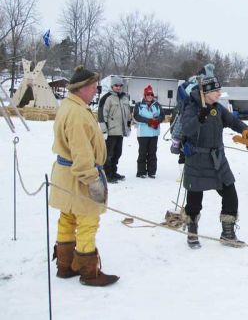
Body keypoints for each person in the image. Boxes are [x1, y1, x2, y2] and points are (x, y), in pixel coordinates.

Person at [49, 66, 119, 287]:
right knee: (88, 220)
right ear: (83, 88)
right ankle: (89, 271)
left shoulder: (71, 105)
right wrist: (92, 181)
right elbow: (81, 152)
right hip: (78, 176)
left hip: (66, 175)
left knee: (68, 217)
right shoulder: (77, 113)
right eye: (93, 87)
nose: (95, 91)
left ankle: (65, 264)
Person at [181, 65, 248, 249]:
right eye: (216, 90)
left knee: (230, 194)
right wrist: (199, 118)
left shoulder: (218, 109)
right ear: (207, 92)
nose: (219, 93)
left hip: (218, 159)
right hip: (197, 160)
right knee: (194, 201)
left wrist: (246, 130)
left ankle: (227, 234)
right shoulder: (191, 107)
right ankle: (192, 232)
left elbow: (233, 121)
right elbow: (186, 129)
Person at [98, 76, 131, 183]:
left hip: (120, 131)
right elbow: (102, 115)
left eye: (120, 85)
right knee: (108, 154)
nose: (118, 87)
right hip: (110, 132)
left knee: (117, 153)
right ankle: (106, 174)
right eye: (116, 85)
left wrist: (128, 127)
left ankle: (113, 172)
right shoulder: (106, 98)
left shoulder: (125, 98)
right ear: (112, 86)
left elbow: (128, 114)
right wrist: (104, 130)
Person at [133, 85, 165, 178]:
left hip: (154, 133)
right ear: (144, 95)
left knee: (152, 152)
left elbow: (162, 115)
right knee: (143, 152)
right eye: (148, 94)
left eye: (151, 94)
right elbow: (136, 117)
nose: (150, 96)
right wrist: (149, 121)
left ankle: (151, 171)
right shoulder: (139, 105)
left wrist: (156, 121)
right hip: (143, 133)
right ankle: (141, 172)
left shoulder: (157, 105)